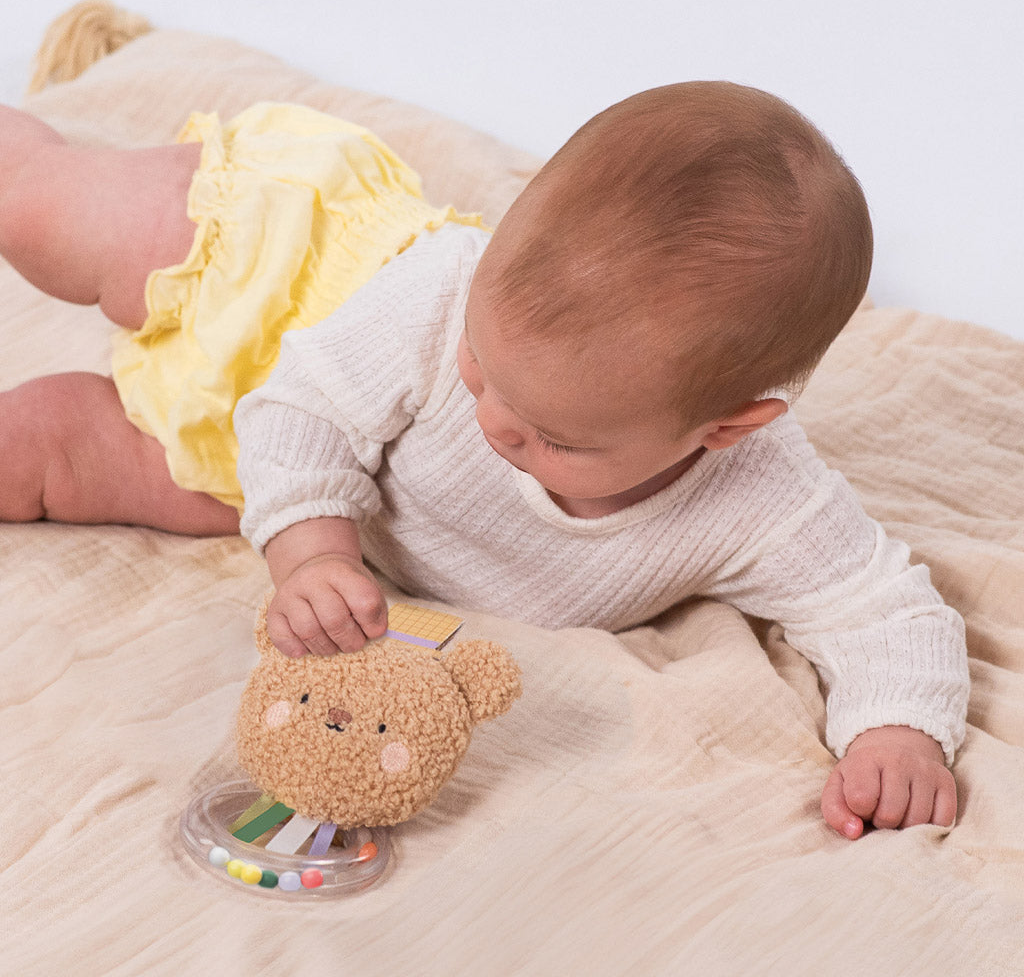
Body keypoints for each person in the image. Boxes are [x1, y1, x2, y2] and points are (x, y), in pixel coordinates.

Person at [0, 83, 968, 841]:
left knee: (44, 454)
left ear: (725, 428)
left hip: (249, 467)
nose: (492, 420)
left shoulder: (763, 499)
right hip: (283, 305)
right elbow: (300, 409)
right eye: (480, 364)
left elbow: (881, 610)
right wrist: (312, 554)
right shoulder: (439, 290)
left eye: (556, 436)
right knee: (52, 208)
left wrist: (896, 731)